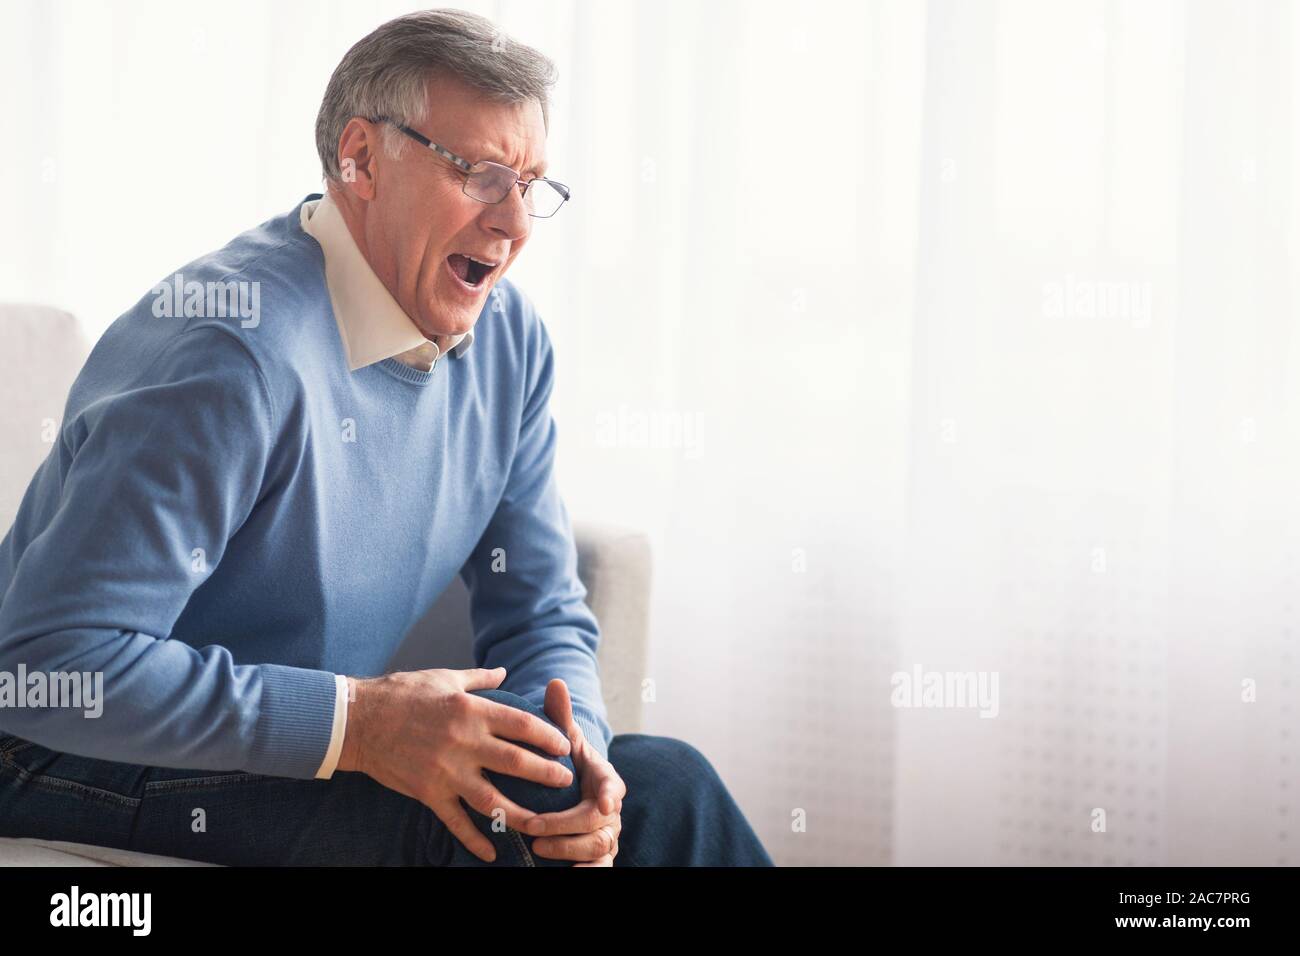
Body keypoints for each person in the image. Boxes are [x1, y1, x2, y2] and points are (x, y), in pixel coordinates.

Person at [0, 8, 772, 867]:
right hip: (53, 755)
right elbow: (49, 666)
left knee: (662, 786)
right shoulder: (228, 355)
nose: (515, 225)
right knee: (490, 830)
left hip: (267, 756)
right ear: (360, 159)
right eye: (481, 174)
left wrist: (574, 751)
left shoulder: (508, 342)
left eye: (531, 185)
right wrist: (358, 722)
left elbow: (541, 608)